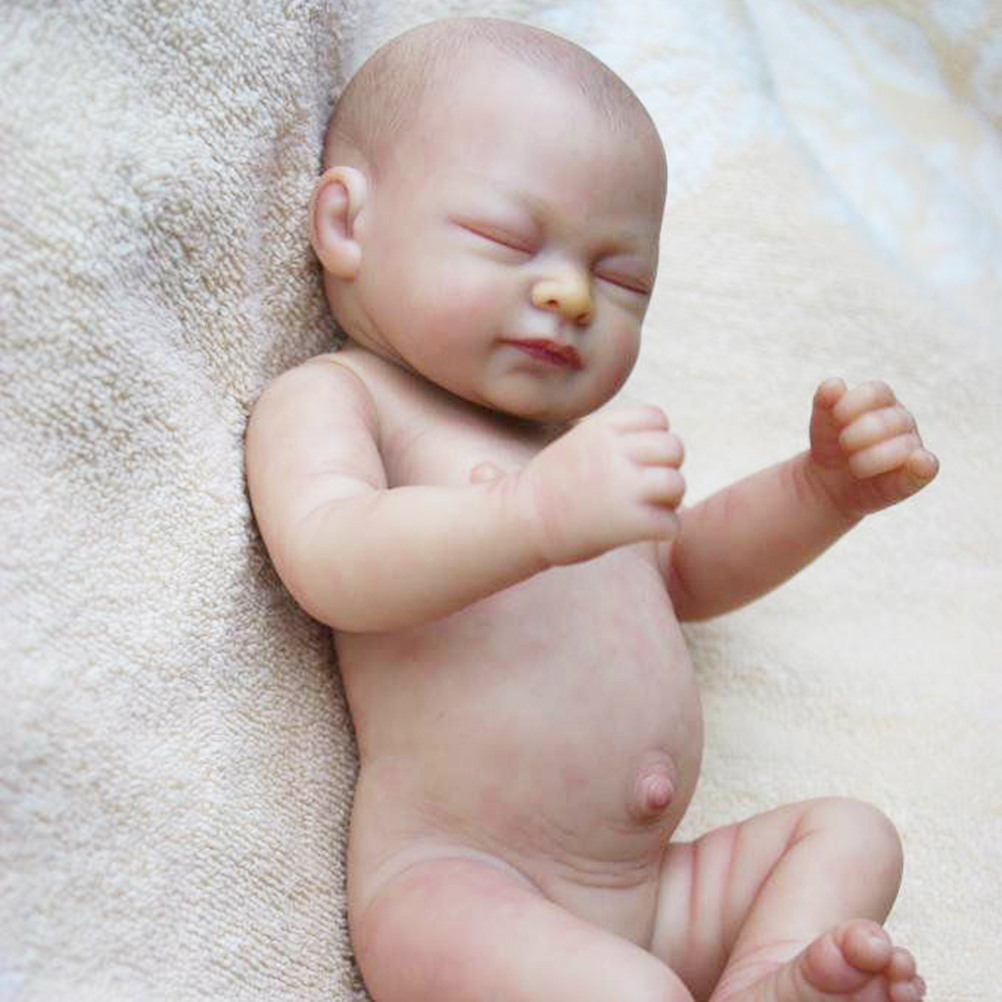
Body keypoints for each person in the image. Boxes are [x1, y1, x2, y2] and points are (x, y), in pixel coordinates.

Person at [246, 16, 937, 1002]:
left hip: (652, 896)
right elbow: (330, 557)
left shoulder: (580, 455)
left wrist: (821, 492)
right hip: (462, 886)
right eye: (506, 240)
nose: (572, 295)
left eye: (621, 280)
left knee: (853, 836)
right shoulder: (344, 397)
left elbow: (684, 569)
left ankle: (763, 982)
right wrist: (529, 517)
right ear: (349, 224)